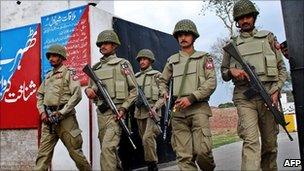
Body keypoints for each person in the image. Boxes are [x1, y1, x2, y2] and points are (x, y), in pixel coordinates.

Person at [221, 0, 288, 170]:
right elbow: (223, 72)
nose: (245, 20)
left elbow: (282, 69)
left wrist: (276, 89)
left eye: (248, 16)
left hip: (269, 97)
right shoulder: (232, 44)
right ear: (237, 20)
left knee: (270, 145)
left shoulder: (269, 38)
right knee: (251, 141)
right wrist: (231, 71)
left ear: (254, 18)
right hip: (245, 98)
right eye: (241, 17)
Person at [159, 19, 216, 170]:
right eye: (180, 35)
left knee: (203, 151)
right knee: (184, 156)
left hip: (199, 108)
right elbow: (162, 81)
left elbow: (211, 82)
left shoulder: (204, 58)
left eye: (186, 34)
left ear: (193, 37)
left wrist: (191, 98)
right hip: (178, 111)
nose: (183, 38)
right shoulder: (171, 61)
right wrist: (164, 92)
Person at [84, 30, 137, 170]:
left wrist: (124, 108)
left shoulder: (123, 64)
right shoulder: (95, 68)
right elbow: (90, 88)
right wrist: (88, 91)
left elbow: (134, 90)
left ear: (114, 45)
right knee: (107, 149)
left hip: (117, 114)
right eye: (100, 44)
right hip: (101, 114)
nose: (103, 46)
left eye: (106, 43)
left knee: (108, 148)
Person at [35, 44, 91, 171]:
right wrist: (42, 112)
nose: (51, 59)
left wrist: (62, 112)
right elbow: (39, 95)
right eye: (49, 56)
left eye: (54, 56)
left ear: (61, 57)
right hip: (48, 120)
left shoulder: (69, 73)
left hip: (66, 120)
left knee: (76, 153)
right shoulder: (48, 76)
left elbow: (77, 95)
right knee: (42, 155)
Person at [134, 49, 165, 171]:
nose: (142, 61)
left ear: (150, 60)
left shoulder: (157, 75)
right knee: (145, 140)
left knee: (148, 137)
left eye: (144, 59)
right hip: (139, 113)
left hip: (152, 112)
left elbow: (163, 96)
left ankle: (152, 165)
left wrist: (155, 107)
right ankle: (151, 163)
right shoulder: (134, 77)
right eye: (140, 59)